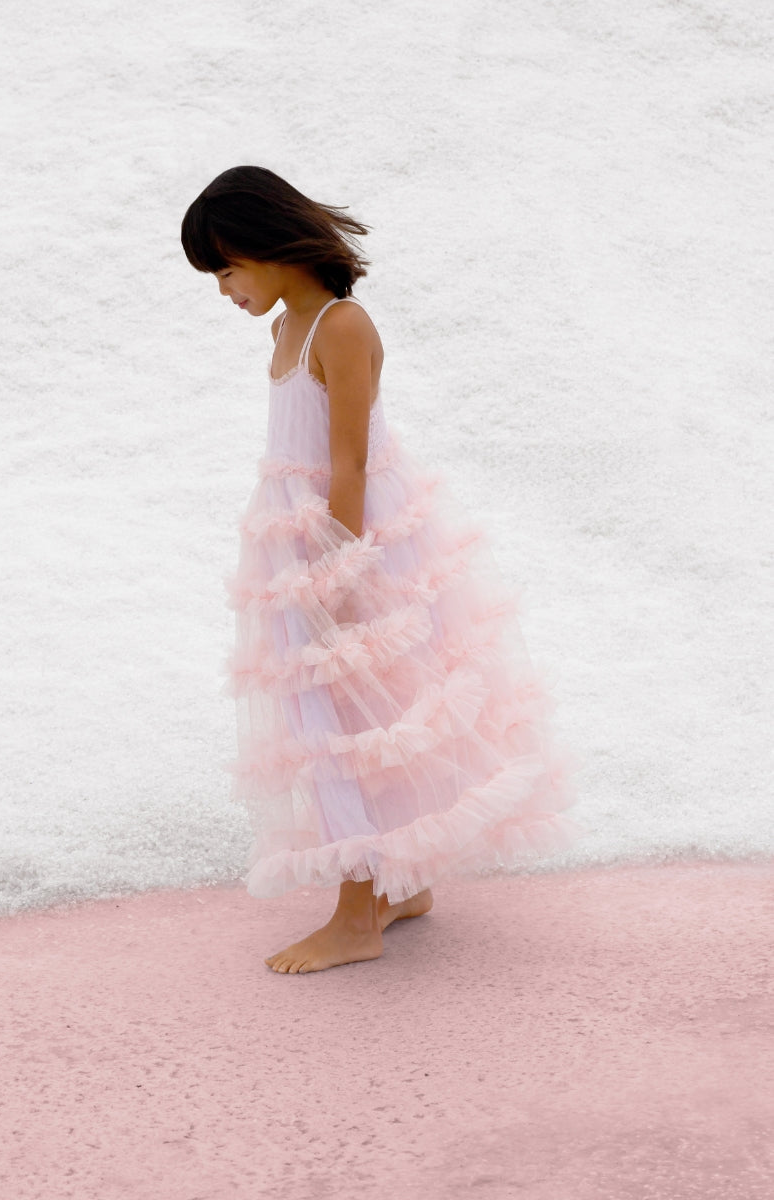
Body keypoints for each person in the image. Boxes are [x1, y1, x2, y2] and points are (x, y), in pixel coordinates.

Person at [181, 165, 580, 974]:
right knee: (336, 717)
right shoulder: (285, 328)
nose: (223, 291)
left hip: (346, 541)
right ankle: (405, 883)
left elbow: (351, 462)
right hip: (296, 541)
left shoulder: (341, 325)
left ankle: (357, 916)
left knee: (343, 724)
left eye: (226, 270)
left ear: (270, 247)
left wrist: (340, 572)